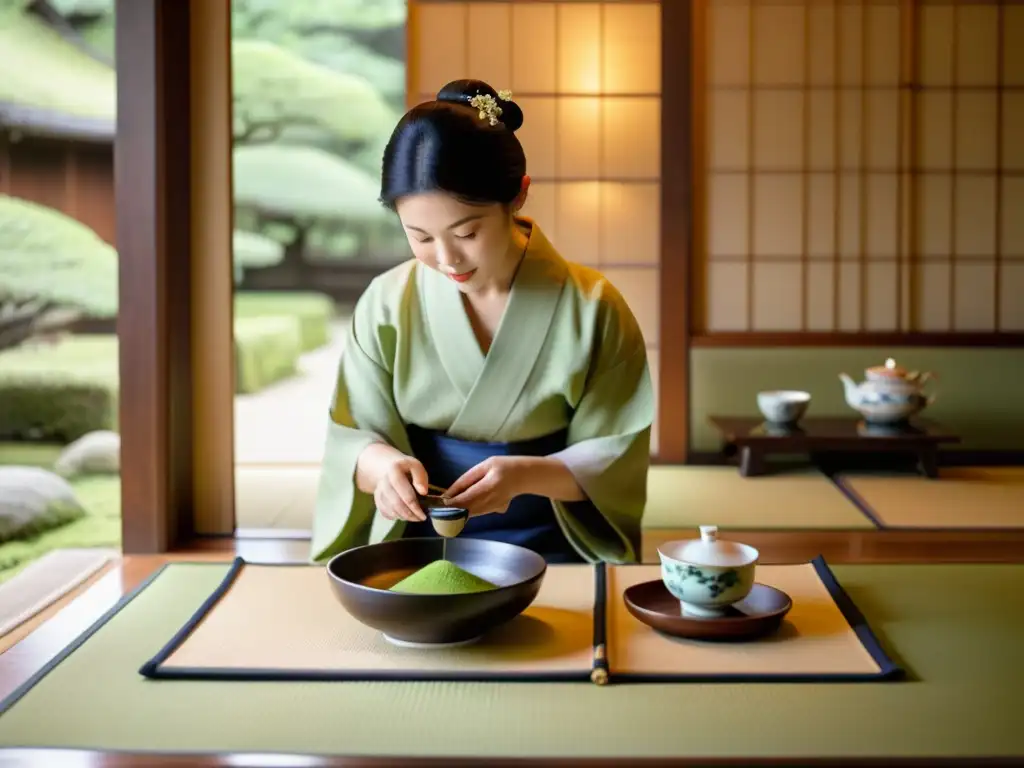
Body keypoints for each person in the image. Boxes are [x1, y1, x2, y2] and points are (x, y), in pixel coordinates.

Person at [310, 79, 654, 565]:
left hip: (552, 543)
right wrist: (382, 466)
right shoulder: (386, 303)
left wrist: (526, 477)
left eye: (467, 232)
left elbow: (617, 452)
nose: (447, 258)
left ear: (518, 196)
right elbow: (352, 436)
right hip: (418, 543)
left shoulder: (593, 307)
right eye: (420, 236)